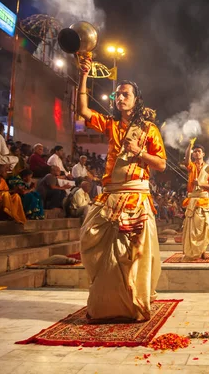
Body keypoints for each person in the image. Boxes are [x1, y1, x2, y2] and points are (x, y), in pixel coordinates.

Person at [76, 52, 167, 323]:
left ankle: (133, 305)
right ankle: (106, 305)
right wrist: (83, 76)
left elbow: (160, 164)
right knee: (92, 242)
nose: (120, 98)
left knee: (132, 255)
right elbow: (82, 111)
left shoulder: (148, 129)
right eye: (117, 94)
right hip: (110, 196)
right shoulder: (111, 124)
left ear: (136, 99)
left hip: (137, 197)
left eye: (125, 93)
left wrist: (140, 152)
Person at [182, 140, 209, 260]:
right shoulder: (191, 166)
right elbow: (186, 159)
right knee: (193, 230)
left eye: (199, 151)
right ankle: (194, 251)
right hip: (193, 202)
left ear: (203, 154)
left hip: (204, 202)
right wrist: (189, 145)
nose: (196, 153)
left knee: (206, 228)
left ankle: (203, 250)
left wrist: (201, 184)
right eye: (195, 152)